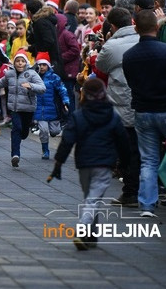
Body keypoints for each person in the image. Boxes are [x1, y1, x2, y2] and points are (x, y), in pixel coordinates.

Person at [50, 78, 130, 251]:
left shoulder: (79, 116)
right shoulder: (113, 116)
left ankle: (89, 234)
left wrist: (58, 163)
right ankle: (84, 231)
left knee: (90, 199)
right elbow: (123, 141)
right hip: (104, 163)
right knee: (93, 200)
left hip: (84, 163)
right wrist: (125, 163)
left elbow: (67, 140)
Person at [123, 9, 166, 217]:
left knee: (148, 159)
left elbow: (131, 83)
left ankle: (147, 203)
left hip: (143, 110)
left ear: (136, 28)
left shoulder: (129, 56)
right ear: (157, 27)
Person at [94, 7, 140, 207]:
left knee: (129, 150)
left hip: (122, 101)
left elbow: (100, 67)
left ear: (112, 26)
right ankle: (148, 194)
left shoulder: (112, 45)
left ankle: (130, 191)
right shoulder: (143, 38)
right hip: (145, 100)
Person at [0, 49, 45, 168]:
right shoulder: (9, 73)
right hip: (15, 108)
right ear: (14, 63)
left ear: (26, 63)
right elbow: (1, 82)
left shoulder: (31, 74)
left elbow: (42, 88)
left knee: (23, 132)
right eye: (18, 61)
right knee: (16, 128)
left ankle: (23, 134)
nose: (20, 63)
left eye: (22, 61)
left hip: (28, 108)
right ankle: (15, 155)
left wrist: (31, 86)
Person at [32, 52, 70, 159]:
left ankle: (53, 133)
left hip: (53, 109)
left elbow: (62, 90)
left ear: (48, 65)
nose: (42, 67)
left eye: (44, 65)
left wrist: (65, 101)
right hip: (40, 109)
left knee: (55, 131)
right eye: (39, 65)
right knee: (43, 130)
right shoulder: (34, 77)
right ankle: (45, 150)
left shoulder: (54, 77)